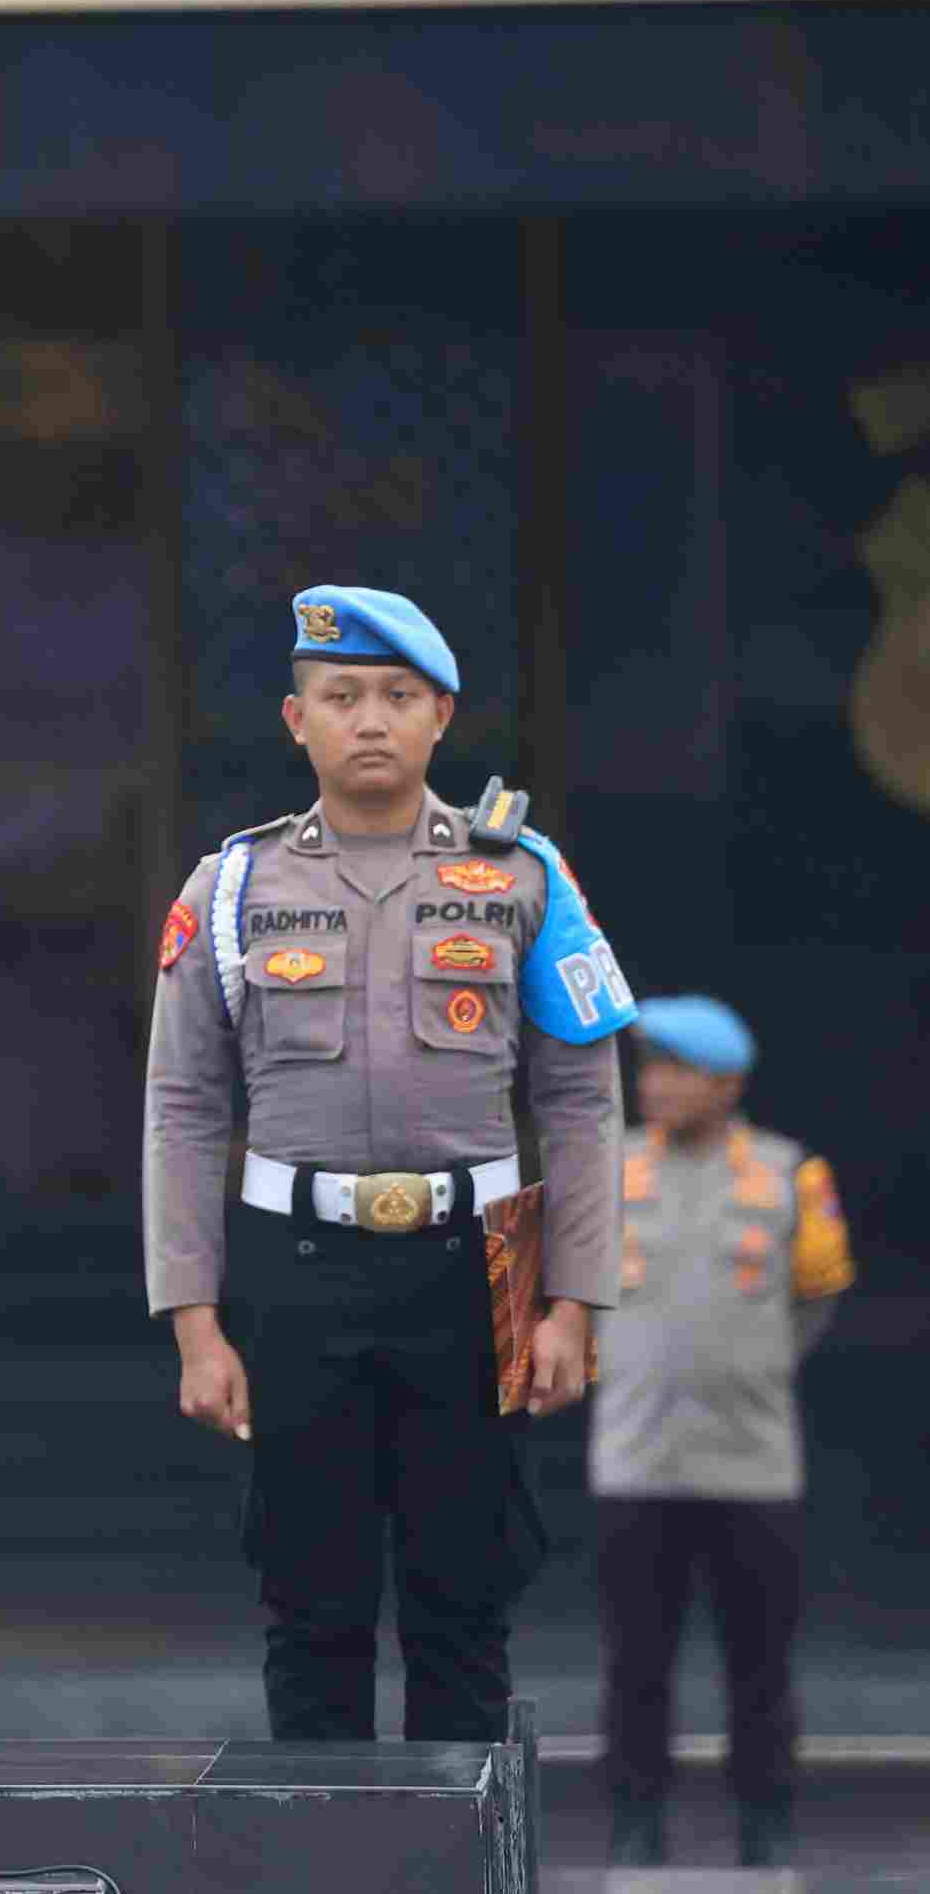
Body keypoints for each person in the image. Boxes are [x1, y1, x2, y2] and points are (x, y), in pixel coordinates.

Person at [142, 585, 635, 1742]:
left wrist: (574, 1301)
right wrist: (192, 1322)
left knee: (466, 1598)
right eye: (341, 695)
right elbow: (179, 1105)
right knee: (307, 1599)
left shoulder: (525, 877)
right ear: (294, 719)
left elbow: (578, 1097)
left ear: (439, 717)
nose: (369, 718)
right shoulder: (229, 891)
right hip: (294, 1260)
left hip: (486, 1258)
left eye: (395, 697)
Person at [592, 995, 854, 1868]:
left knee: (761, 1669)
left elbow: (818, 1291)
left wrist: (755, 1363)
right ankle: (636, 1821)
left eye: (675, 1068)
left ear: (728, 1081)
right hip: (636, 1461)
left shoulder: (790, 1174)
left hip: (754, 1463)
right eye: (649, 1067)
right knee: (635, 1667)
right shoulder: (605, 1170)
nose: (654, 1083)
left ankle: (765, 1820)